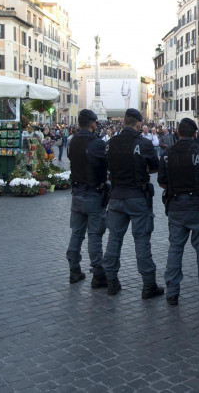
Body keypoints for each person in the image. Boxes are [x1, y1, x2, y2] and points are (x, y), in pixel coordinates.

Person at [101, 108, 164, 298]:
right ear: (137, 123)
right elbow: (155, 167)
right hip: (137, 196)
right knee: (142, 241)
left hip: (116, 196)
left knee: (114, 239)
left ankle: (111, 281)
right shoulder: (143, 144)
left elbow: (106, 167)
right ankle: (148, 284)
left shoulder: (110, 143)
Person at [159, 118, 199, 305]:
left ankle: (172, 292)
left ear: (178, 133)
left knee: (175, 248)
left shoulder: (167, 154)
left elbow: (162, 182)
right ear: (195, 134)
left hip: (176, 206)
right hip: (197, 206)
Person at [66, 109, 109, 287]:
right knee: (94, 235)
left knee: (76, 233)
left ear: (78, 123)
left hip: (77, 193)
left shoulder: (72, 141)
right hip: (93, 193)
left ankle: (74, 269)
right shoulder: (96, 143)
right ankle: (98, 273)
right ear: (92, 123)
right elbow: (106, 164)